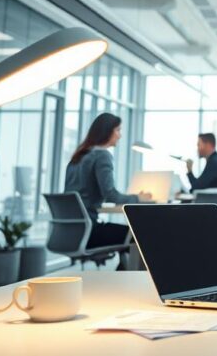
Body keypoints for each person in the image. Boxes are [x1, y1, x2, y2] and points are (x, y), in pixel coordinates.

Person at [64, 112, 152, 269]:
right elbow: (110, 194)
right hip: (90, 232)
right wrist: (138, 198)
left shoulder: (77, 156)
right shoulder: (102, 155)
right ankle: (134, 285)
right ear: (107, 132)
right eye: (117, 130)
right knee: (141, 234)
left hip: (70, 234)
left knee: (131, 234)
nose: (120, 135)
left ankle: (123, 276)